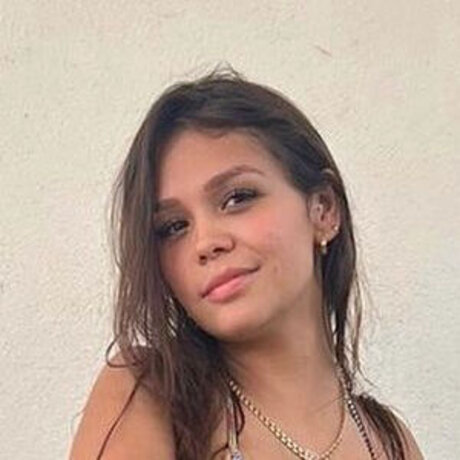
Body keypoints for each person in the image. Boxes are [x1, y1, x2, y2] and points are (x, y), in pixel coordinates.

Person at [69, 68, 424, 460]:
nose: (206, 243)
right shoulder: (148, 394)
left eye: (237, 198)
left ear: (323, 210)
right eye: (173, 227)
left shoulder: (391, 443)